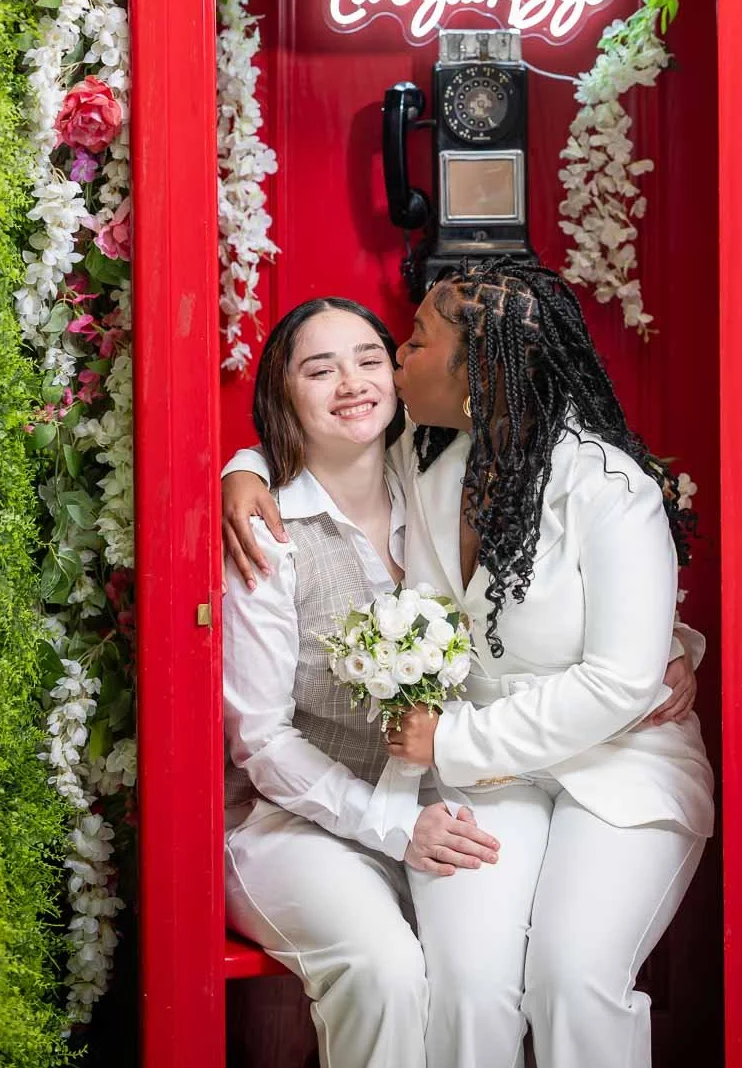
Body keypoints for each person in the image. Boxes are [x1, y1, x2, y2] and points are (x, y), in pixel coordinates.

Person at [223, 263, 710, 1068]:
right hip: (490, 778)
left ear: (476, 372)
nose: (391, 360)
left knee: (570, 977)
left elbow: (621, 679)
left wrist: (449, 744)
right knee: (465, 983)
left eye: (410, 343)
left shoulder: (610, 487)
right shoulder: (425, 454)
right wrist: (240, 470)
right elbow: (315, 434)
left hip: (614, 766)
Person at [221, 297, 503, 1068]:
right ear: (282, 395)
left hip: (440, 802)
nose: (350, 382)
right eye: (319, 369)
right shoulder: (266, 531)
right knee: (382, 972)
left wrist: (669, 644)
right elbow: (261, 740)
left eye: (369, 359)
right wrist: (388, 825)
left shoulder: (440, 481)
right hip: (291, 823)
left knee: (487, 974)